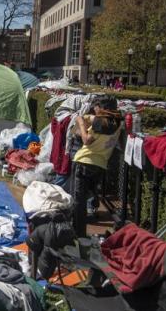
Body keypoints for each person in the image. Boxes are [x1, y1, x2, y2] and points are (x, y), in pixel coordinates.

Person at [71, 96, 121, 238]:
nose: (95, 109)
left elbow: (86, 140)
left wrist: (81, 123)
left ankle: (78, 235)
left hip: (84, 161)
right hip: (100, 165)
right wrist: (88, 119)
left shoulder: (100, 123)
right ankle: (81, 233)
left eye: (97, 106)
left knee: (78, 202)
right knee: (88, 199)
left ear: (102, 108)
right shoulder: (117, 122)